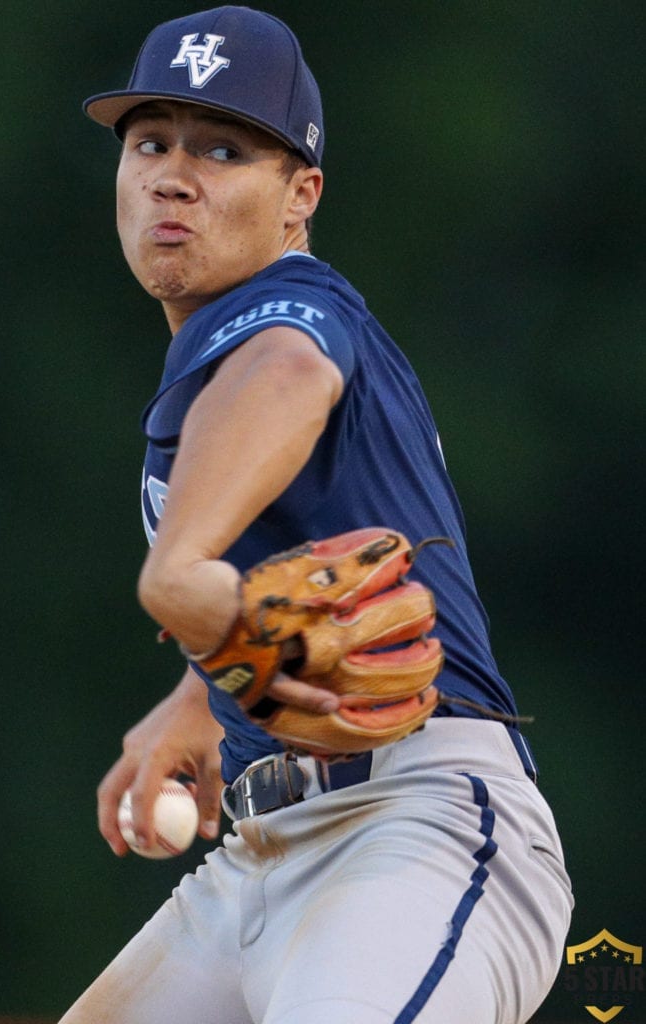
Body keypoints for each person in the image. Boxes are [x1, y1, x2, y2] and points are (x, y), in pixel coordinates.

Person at [61, 7, 573, 1023]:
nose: (173, 173)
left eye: (221, 148)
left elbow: (288, 371)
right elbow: (306, 570)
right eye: (149, 142)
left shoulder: (288, 313)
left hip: (415, 832)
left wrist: (181, 570)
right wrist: (200, 695)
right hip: (257, 858)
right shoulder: (204, 357)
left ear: (300, 196)